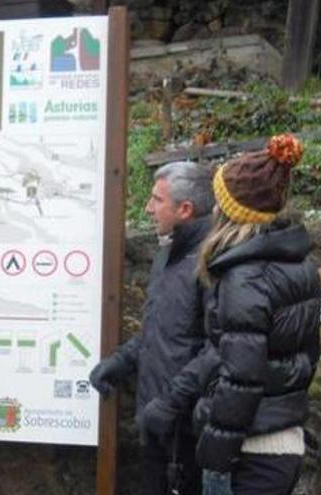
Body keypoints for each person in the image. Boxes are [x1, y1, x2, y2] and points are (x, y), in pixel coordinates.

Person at [189, 134, 321, 495]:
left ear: (233, 211)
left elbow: (240, 380)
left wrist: (215, 460)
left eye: (219, 201)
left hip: (248, 453)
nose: (213, 209)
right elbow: (308, 358)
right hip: (284, 445)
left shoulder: (244, 278)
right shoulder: (301, 265)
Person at [89, 161, 215, 495]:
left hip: (190, 434)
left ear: (184, 209)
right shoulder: (166, 255)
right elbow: (160, 330)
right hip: (156, 425)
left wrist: (171, 403)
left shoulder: (212, 262)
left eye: (157, 200)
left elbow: (218, 348)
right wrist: (120, 361)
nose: (148, 208)